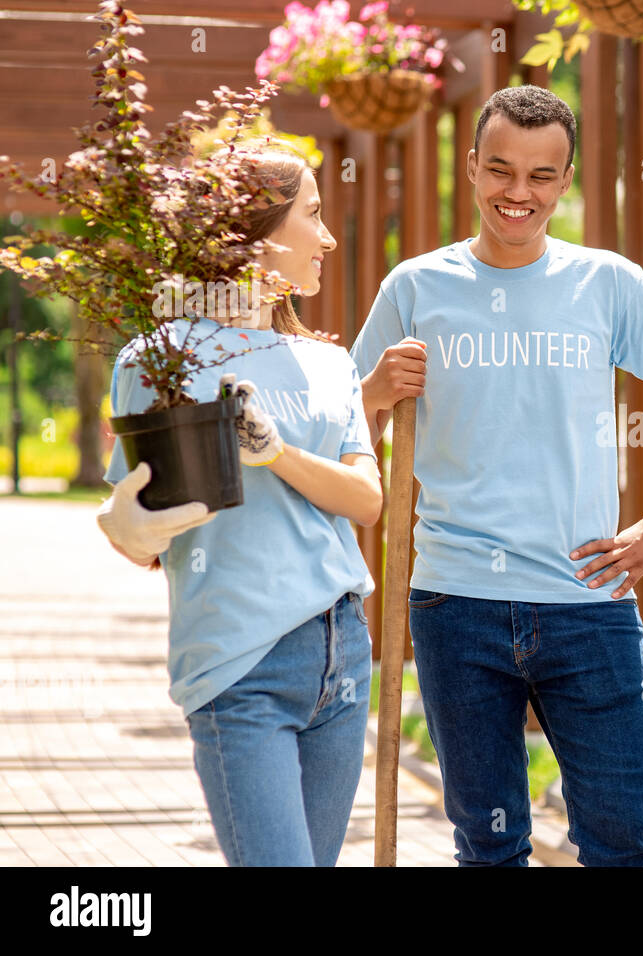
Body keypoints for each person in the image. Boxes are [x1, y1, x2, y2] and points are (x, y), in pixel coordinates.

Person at [352, 85, 643, 867]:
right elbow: (345, 439)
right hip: (456, 605)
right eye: (500, 170)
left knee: (624, 843)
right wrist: (373, 395)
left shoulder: (609, 284)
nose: (516, 193)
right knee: (488, 848)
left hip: (587, 605)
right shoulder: (416, 290)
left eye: (539, 175)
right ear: (471, 169)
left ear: (566, 182)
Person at [98, 147, 382, 866]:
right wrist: (127, 530)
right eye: (312, 216)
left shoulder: (330, 363)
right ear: (255, 233)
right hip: (238, 664)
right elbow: (143, 534)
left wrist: (276, 452)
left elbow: (367, 501)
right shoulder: (158, 360)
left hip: (340, 658)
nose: (328, 238)